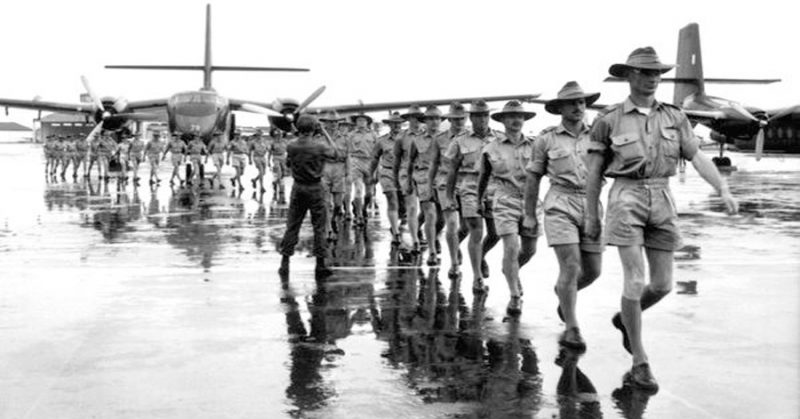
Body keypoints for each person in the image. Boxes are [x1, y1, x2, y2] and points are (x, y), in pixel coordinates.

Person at [585, 47, 738, 391]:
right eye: (645, 72)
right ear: (629, 75)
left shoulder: (674, 116)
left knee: (663, 285)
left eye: (657, 73)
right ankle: (640, 361)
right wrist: (591, 214)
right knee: (635, 280)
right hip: (626, 196)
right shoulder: (608, 119)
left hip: (663, 196)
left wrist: (722, 189)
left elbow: (697, 157)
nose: (653, 78)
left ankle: (626, 320)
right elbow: (594, 172)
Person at [524, 81, 604, 352]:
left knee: (593, 271)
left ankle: (564, 294)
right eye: (572, 103)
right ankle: (572, 327)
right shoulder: (546, 139)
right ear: (560, 108)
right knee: (570, 266)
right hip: (559, 203)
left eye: (582, 102)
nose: (578, 107)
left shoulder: (598, 135)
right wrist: (530, 215)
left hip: (592, 203)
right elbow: (533, 178)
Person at [477, 100, 539, 316]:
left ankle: (511, 270)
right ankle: (514, 295)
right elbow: (483, 177)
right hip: (504, 199)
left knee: (530, 250)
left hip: (531, 202)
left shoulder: (535, 145)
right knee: (510, 247)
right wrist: (478, 199)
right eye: (511, 116)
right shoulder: (491, 147)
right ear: (502, 120)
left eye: (520, 116)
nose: (516, 120)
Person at [446, 99, 499, 292]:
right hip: (469, 188)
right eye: (478, 116)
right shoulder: (460, 141)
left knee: (495, 234)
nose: (482, 119)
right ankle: (477, 278)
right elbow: (452, 170)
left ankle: (480, 255)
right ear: (472, 117)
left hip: (494, 189)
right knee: (476, 230)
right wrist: (450, 196)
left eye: (485, 115)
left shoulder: (499, 139)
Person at [278, 114, 340, 276]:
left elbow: (288, 164)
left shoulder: (291, 146)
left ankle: (284, 262)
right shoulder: (319, 146)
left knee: (293, 225)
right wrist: (324, 131)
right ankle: (320, 264)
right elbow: (335, 154)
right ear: (314, 128)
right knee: (319, 227)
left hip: (298, 187)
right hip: (315, 187)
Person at [430, 102, 470, 278]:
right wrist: (430, 185)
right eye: (455, 119)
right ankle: (454, 264)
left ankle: (456, 245)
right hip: (445, 183)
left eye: (462, 118)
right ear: (450, 119)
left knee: (467, 227)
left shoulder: (472, 137)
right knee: (451, 223)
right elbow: (433, 163)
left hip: (468, 183)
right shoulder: (439, 139)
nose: (459, 122)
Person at [407, 106, 445, 265]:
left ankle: (432, 235)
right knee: (430, 213)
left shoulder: (447, 138)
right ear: (425, 121)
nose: (434, 122)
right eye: (430, 119)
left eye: (437, 118)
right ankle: (432, 252)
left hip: (442, 178)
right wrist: (408, 181)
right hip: (423, 178)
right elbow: (410, 161)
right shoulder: (417, 140)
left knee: (441, 219)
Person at [394, 104, 426, 252]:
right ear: (408, 119)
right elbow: (397, 160)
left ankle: (417, 228)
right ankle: (415, 240)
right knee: (412, 207)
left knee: (427, 209)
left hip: (425, 173)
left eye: (419, 118)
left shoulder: (429, 135)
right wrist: (396, 180)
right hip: (407, 173)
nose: (417, 121)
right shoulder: (401, 137)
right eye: (413, 118)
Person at [369, 111, 404, 244]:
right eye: (394, 123)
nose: (396, 126)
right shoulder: (382, 141)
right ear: (389, 125)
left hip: (404, 174)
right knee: (392, 199)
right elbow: (374, 158)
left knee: (404, 206)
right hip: (388, 173)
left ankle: (399, 221)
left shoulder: (408, 139)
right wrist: (371, 174)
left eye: (398, 123)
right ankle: (395, 232)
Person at [318, 112, 349, 239]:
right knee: (326, 202)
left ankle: (332, 220)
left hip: (339, 169)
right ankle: (328, 229)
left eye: (335, 122)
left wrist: (349, 172)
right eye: (331, 122)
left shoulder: (344, 138)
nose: (333, 124)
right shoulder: (319, 139)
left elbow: (348, 156)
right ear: (325, 123)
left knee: (338, 204)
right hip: (325, 168)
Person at [347, 113, 378, 226]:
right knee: (358, 189)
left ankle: (363, 207)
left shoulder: (373, 135)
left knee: (369, 193)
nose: (360, 122)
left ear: (367, 122)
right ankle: (359, 215)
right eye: (358, 120)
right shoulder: (351, 135)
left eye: (363, 120)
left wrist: (377, 167)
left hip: (370, 162)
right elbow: (348, 151)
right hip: (356, 161)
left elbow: (378, 151)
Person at [268, 128, 289, 202]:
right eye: (278, 135)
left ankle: (275, 182)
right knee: (279, 173)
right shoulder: (273, 142)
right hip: (276, 157)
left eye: (280, 135)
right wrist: (268, 161)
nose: (279, 136)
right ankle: (281, 189)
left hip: (283, 157)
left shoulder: (285, 142)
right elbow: (270, 152)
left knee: (283, 173)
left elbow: (288, 151)